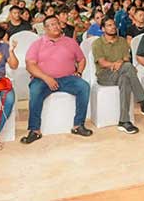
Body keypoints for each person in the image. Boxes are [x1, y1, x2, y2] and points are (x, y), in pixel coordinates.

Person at [21, 15, 92, 144]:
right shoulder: (37, 44)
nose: (56, 26)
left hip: (67, 78)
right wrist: (46, 78)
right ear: (45, 28)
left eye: (57, 23)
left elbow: (81, 59)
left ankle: (78, 125)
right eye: (52, 24)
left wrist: (79, 72)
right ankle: (34, 130)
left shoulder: (70, 42)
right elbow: (30, 65)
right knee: (35, 91)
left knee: (84, 87)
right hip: (42, 79)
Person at [92, 18, 144, 133]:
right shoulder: (98, 43)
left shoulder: (122, 41)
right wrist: (116, 63)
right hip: (105, 75)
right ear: (103, 29)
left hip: (122, 72)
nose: (113, 27)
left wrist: (120, 62)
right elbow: (102, 63)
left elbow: (126, 58)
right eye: (109, 25)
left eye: (114, 25)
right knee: (129, 67)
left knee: (125, 78)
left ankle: (124, 121)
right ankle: (143, 103)